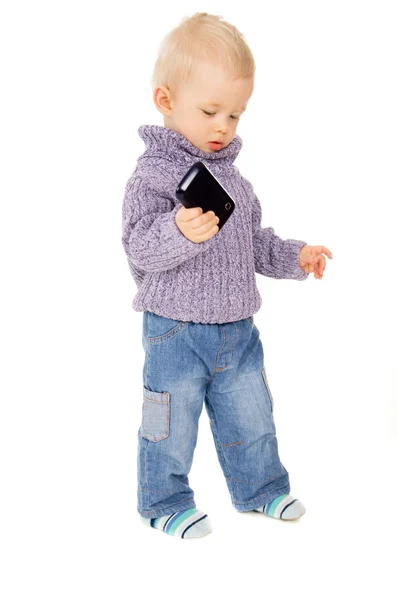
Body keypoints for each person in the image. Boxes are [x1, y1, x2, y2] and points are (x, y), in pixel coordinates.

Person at [121, 12, 333, 539]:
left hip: (237, 328)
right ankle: (163, 500)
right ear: (165, 101)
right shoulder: (152, 176)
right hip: (174, 330)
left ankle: (261, 489)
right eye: (211, 110)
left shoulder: (235, 181)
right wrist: (178, 231)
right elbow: (138, 247)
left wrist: (297, 256)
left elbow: (254, 243)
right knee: (167, 422)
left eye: (236, 115)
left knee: (253, 413)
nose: (223, 126)